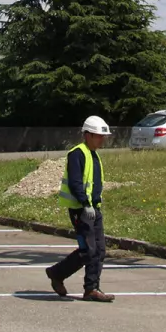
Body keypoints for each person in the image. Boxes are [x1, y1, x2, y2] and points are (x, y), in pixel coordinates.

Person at [46, 116, 115, 302]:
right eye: (99, 136)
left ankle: (91, 288)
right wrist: (85, 204)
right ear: (88, 135)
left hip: (94, 209)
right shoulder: (77, 153)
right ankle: (58, 274)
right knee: (89, 250)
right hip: (81, 210)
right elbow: (76, 183)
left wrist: (93, 205)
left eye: (103, 136)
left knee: (99, 250)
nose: (102, 140)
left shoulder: (93, 154)